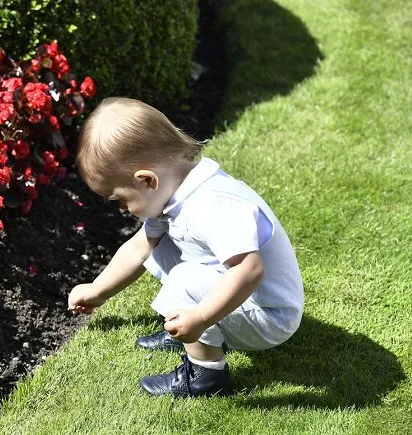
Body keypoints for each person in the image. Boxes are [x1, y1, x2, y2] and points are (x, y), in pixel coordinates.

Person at [68, 97, 304, 398]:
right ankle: (191, 328)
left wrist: (201, 317)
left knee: (184, 278)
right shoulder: (174, 191)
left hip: (270, 315)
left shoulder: (210, 205)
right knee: (161, 247)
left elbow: (249, 269)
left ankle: (206, 375)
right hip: (245, 298)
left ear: (146, 180)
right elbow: (139, 248)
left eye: (120, 199)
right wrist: (97, 289)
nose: (123, 209)